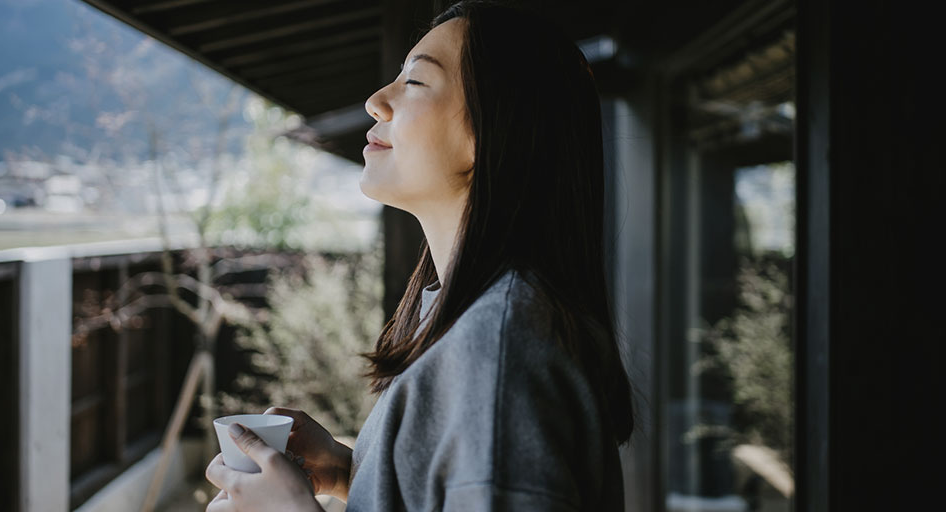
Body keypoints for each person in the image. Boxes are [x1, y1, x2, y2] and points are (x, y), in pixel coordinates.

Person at [204, 1, 636, 510]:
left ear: (494, 126)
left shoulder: (496, 349)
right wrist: (353, 473)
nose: (375, 101)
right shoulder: (475, 320)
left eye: (414, 82)